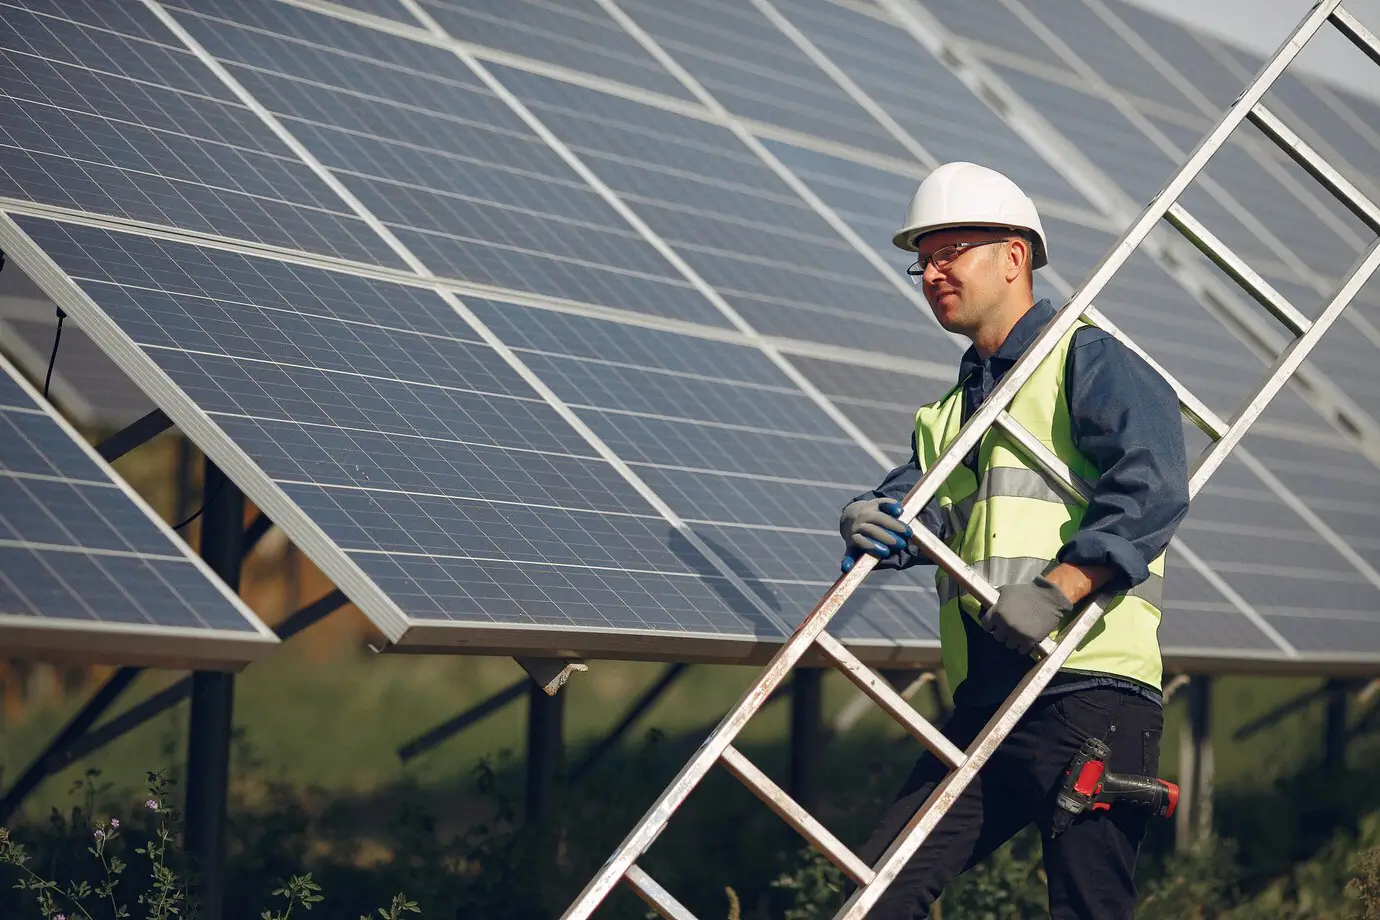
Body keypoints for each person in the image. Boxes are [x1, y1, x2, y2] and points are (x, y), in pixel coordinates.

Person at [837, 162, 1190, 919]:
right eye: (921, 260)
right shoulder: (945, 414)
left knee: (1089, 908)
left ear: (1014, 256)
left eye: (950, 252)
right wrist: (877, 517)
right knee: (871, 891)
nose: (931, 273)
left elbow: (1153, 483)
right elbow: (920, 505)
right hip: (989, 701)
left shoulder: (1086, 361)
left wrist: (1058, 590)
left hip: (1089, 687)